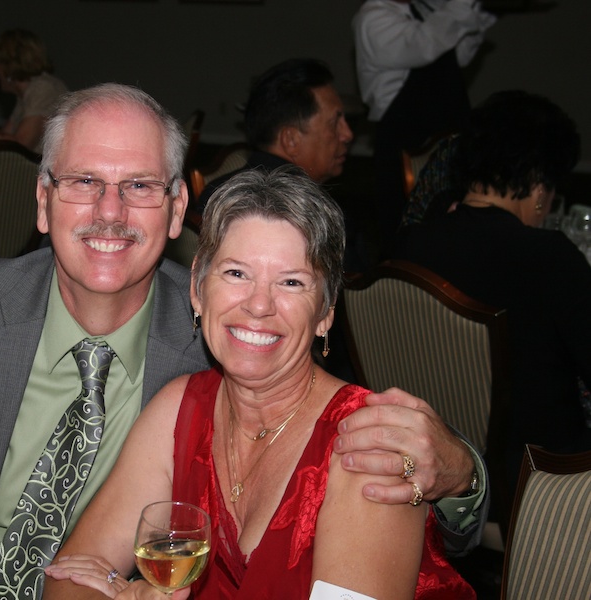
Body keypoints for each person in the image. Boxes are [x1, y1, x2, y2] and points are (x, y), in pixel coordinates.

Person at [0, 84, 482, 599]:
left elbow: (356, 460)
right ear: (43, 202)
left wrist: (461, 475)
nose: (110, 212)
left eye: (139, 186)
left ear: (176, 214)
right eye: (83, 183)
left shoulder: (228, 341)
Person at [44, 167, 474, 599]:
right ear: (197, 288)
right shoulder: (180, 410)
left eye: (291, 282)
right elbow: (67, 577)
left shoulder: (366, 450)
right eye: (236, 273)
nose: (259, 305)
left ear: (325, 313)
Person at [394, 90, 591, 497]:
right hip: (540, 481)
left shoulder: (408, 247)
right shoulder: (550, 258)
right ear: (540, 187)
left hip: (418, 461)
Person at [352, 0, 495, 254]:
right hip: (403, 137)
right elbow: (421, 46)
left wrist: (478, 12)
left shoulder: (426, 10)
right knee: (406, 229)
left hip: (451, 137)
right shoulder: (374, 16)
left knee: (454, 226)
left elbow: (459, 55)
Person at [196, 58, 353, 210]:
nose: (348, 134)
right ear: (290, 140)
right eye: (334, 124)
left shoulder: (221, 190)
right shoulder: (287, 207)